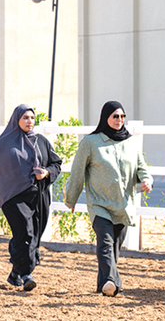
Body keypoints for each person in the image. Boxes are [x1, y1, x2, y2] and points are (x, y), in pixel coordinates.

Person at [65, 101, 152, 297]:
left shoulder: (130, 142)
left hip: (123, 204)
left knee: (113, 248)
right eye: (115, 116)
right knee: (105, 242)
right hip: (99, 204)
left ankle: (103, 285)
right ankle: (114, 281)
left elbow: (141, 167)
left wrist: (146, 180)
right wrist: (71, 199)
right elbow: (77, 172)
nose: (119, 120)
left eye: (122, 116)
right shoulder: (90, 142)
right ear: (106, 117)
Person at [0, 105, 62, 291]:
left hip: (39, 195)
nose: (29, 121)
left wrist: (46, 173)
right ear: (16, 120)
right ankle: (27, 274)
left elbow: (56, 164)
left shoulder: (41, 141)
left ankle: (15, 273)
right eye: (25, 118)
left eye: (32, 118)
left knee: (33, 235)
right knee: (25, 231)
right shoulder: (3, 144)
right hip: (13, 197)